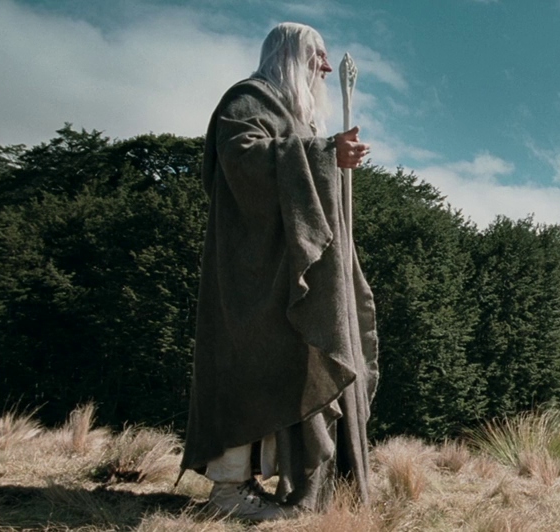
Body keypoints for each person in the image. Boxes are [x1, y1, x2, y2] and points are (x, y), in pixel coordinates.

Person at [179, 22, 379, 522]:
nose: (326, 67)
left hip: (290, 273)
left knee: (292, 370)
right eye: (317, 54)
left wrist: (330, 156)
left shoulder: (297, 120)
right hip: (251, 273)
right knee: (247, 365)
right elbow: (240, 160)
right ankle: (228, 490)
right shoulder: (248, 99)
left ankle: (269, 485)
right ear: (290, 54)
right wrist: (323, 154)